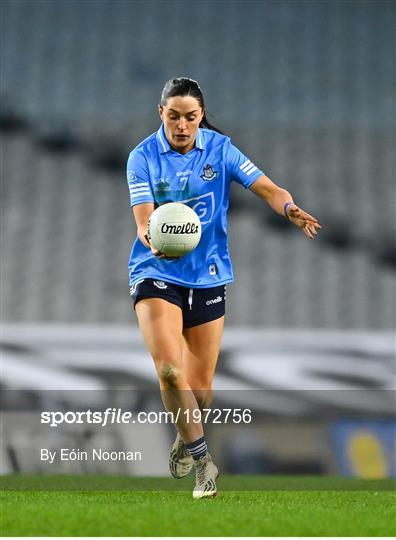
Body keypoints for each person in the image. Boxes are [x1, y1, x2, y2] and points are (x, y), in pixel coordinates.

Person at [126, 77, 321, 499]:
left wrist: (288, 207)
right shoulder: (142, 157)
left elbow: (267, 187)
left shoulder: (221, 149)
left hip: (210, 275)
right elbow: (143, 221)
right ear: (161, 113)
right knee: (169, 369)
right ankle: (203, 466)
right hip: (155, 270)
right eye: (174, 116)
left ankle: (185, 434)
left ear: (200, 116)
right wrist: (152, 238)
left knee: (201, 391)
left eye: (190, 117)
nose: (182, 125)